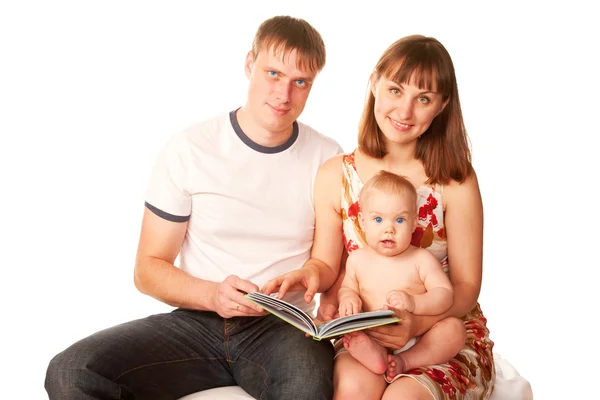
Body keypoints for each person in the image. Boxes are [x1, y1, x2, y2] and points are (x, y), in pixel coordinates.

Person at [44, 15, 343, 400]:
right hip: (196, 322)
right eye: (272, 73)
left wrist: (312, 274)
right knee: (71, 370)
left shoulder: (328, 158)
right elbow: (148, 269)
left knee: (306, 386)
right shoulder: (190, 148)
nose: (284, 94)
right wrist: (213, 295)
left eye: (300, 82)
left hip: (282, 327)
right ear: (249, 63)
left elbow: (326, 263)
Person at [263, 35, 496, 399]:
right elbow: (326, 262)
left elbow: (466, 287)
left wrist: (417, 322)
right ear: (374, 84)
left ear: (442, 105)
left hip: (441, 331)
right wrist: (308, 275)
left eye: (423, 99)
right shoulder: (336, 174)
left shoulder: (455, 180)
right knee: (353, 389)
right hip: (367, 333)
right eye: (395, 90)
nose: (404, 112)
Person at [336, 170, 466, 384]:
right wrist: (349, 298)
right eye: (378, 219)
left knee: (454, 330)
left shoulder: (421, 259)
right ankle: (376, 355)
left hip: (420, 336)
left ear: (414, 223)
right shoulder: (357, 260)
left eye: (399, 220)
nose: (389, 229)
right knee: (361, 334)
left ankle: (406, 360)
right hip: (377, 333)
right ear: (362, 221)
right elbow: (347, 287)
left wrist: (415, 303)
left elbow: (444, 294)